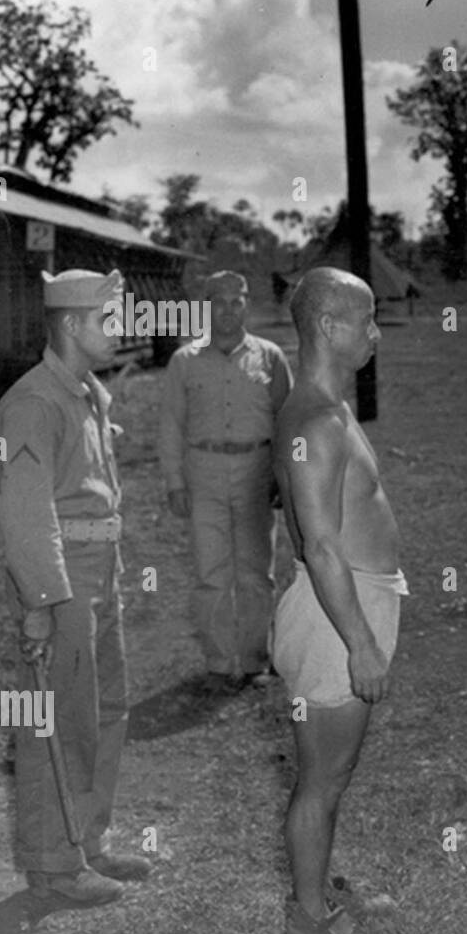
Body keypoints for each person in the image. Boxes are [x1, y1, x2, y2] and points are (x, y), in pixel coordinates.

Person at [0, 269, 150, 906]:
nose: (121, 331)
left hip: (98, 568)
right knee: (56, 720)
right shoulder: (34, 404)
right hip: (63, 582)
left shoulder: (86, 393)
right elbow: (27, 517)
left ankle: (87, 837)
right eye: (109, 320)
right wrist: (43, 605)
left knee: (105, 708)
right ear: (73, 325)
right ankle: (54, 863)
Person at [271, 267, 399, 934]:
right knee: (321, 778)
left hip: (349, 600)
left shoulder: (322, 406)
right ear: (327, 326)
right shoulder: (317, 420)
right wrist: (361, 643)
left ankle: (315, 889)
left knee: (333, 773)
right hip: (336, 614)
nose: (376, 332)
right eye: (367, 320)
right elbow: (320, 545)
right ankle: (309, 922)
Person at [159, 271, 292, 688]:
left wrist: (283, 478)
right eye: (220, 301)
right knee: (210, 572)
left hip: (256, 473)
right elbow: (170, 425)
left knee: (256, 573)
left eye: (238, 300)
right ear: (206, 305)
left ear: (247, 305)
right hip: (204, 473)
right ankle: (218, 663)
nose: (229, 309)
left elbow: (287, 422)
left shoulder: (270, 356)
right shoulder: (184, 361)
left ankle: (255, 661)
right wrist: (175, 482)